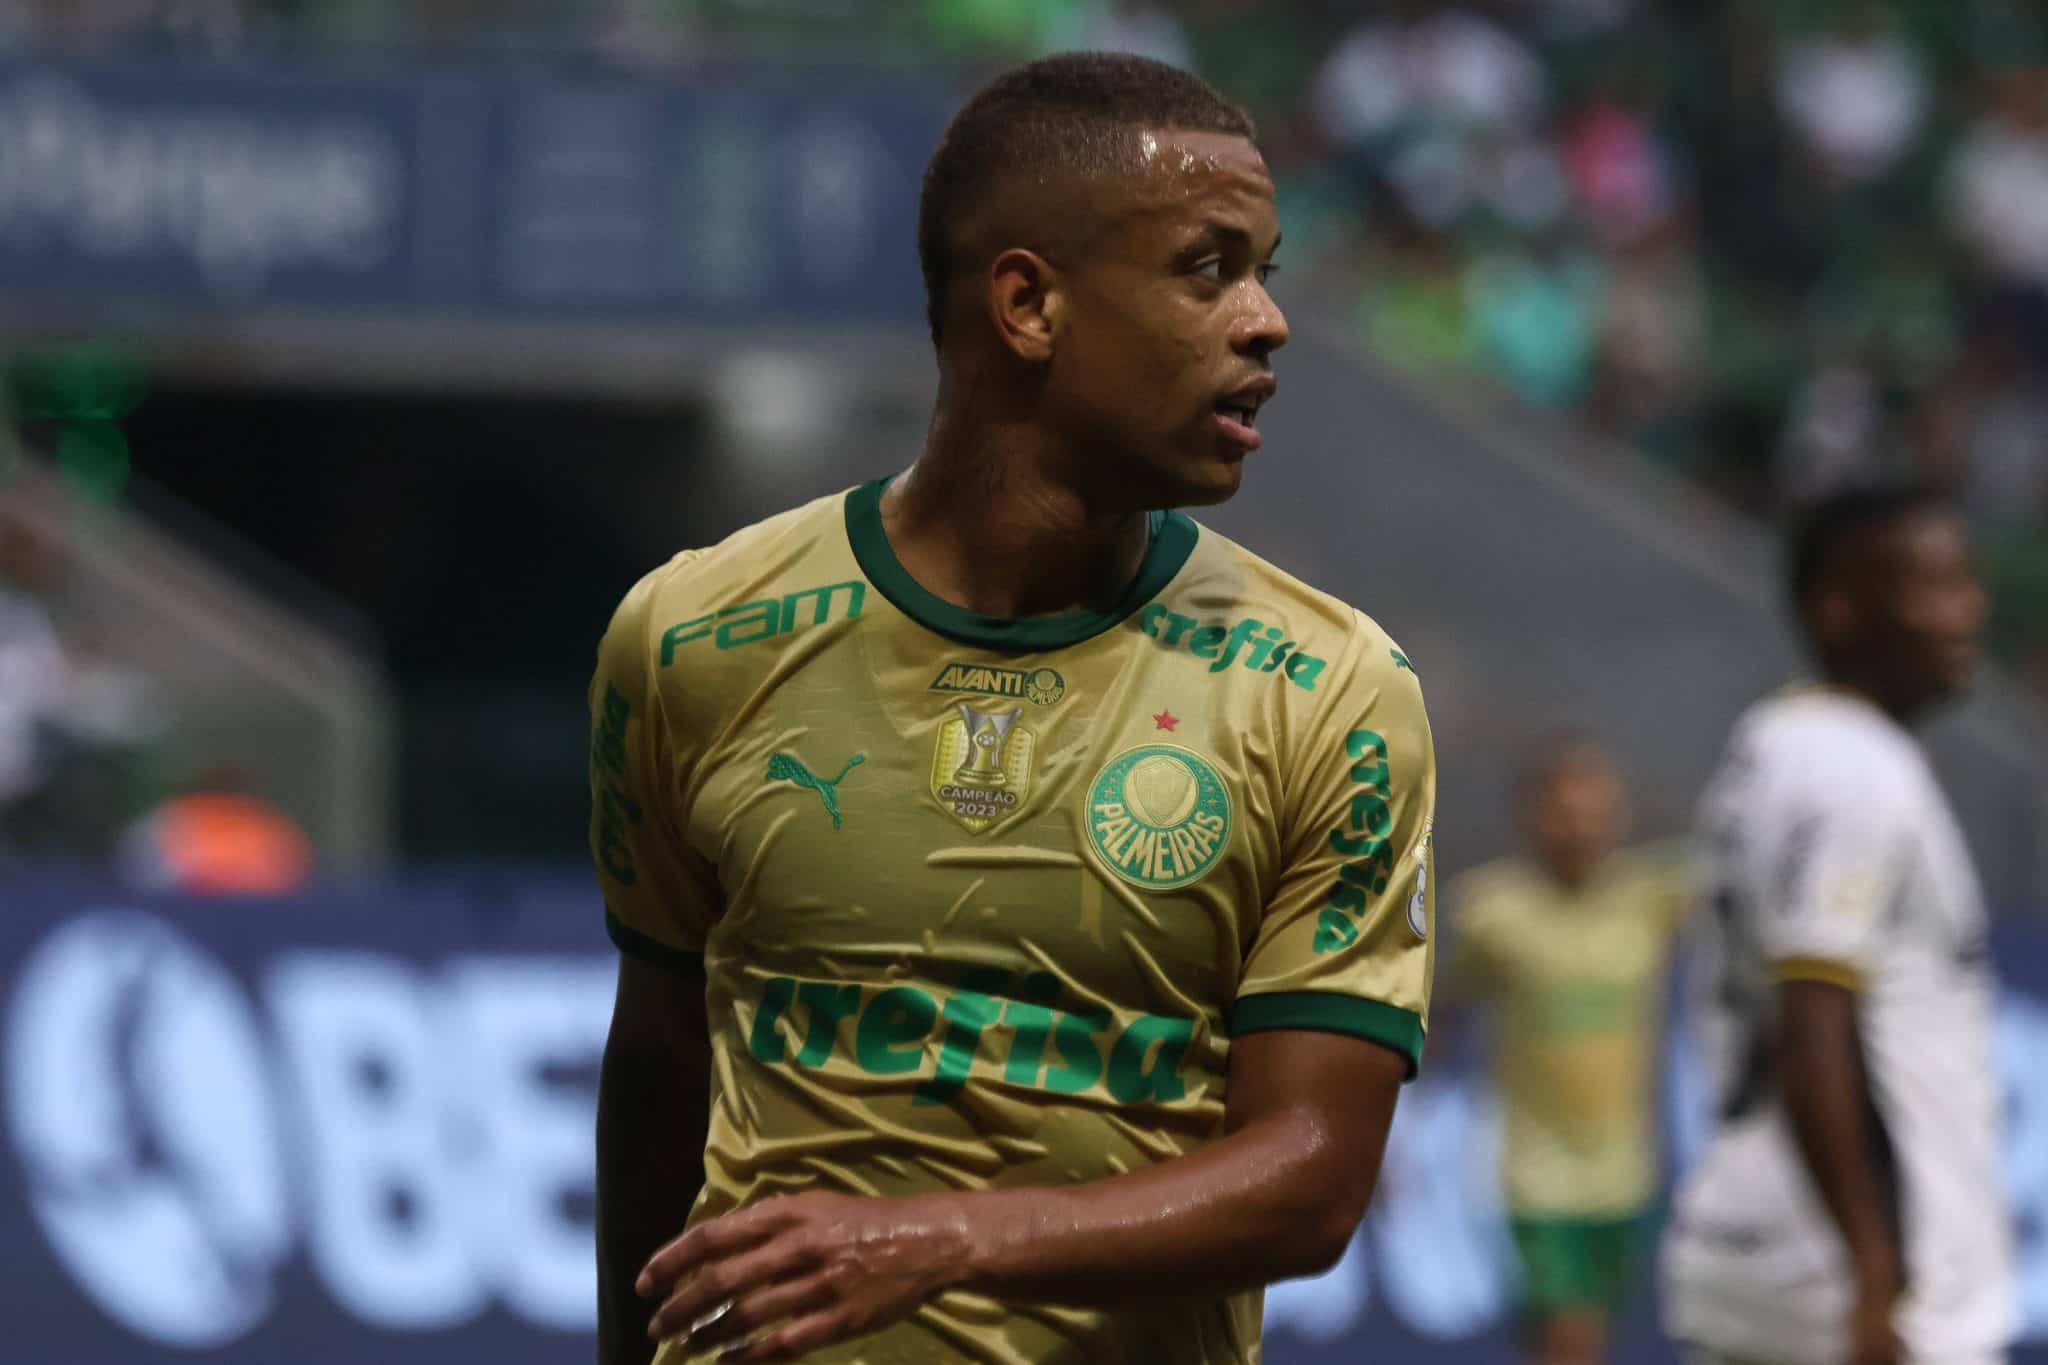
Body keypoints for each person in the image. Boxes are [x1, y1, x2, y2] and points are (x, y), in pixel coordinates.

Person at [589, 52, 1436, 1365]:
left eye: (1265, 270)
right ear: (1030, 304)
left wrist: (944, 1238)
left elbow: (1315, 1173)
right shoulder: (692, 636)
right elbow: (656, 1065)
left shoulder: (1330, 691)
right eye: (1210, 268)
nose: (1266, 321)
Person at [1663, 487, 2015, 1365]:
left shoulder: (1782, 742)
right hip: (1844, 1274)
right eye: (1934, 587)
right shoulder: (1853, 769)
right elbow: (1815, 1013)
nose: (1968, 608)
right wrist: (1873, 1275)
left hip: (1765, 1241)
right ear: (1841, 609)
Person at [1440, 739, 1691, 1365]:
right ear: (1532, 817)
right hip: (1534, 1176)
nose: (1580, 825)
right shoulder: (1492, 912)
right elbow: (1432, 1011)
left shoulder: (1655, 900)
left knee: (1582, 1337)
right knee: (1568, 1337)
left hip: (1627, 1174)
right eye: (1564, 810)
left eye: (1595, 808)